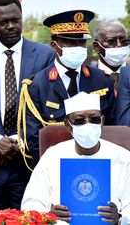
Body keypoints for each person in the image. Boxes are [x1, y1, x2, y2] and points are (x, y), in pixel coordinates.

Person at [0, 0, 55, 210]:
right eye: (3, 22)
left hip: (27, 163)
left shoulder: (44, 55)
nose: (10, 26)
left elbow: (47, 109)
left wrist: (16, 141)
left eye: (15, 20)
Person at [21, 10, 115, 167]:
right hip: (54, 167)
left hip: (99, 166)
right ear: (54, 45)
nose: (77, 47)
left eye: (81, 42)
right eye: (70, 42)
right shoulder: (37, 85)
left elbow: (112, 128)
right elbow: (33, 139)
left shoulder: (102, 81)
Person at [21, 92, 129, 224]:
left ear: (102, 122)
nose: (88, 125)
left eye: (94, 119)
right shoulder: (52, 156)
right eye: (79, 121)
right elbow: (30, 204)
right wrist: (49, 216)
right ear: (68, 126)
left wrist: (120, 218)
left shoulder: (123, 157)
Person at [93, 20, 130, 95]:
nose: (119, 45)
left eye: (124, 40)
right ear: (97, 47)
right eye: (111, 41)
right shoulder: (86, 79)